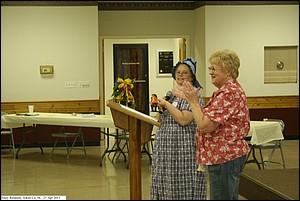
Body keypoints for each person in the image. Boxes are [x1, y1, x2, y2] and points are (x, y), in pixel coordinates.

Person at [173, 49, 250, 200]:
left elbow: (204, 125)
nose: (210, 72)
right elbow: (207, 119)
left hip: (225, 158)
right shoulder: (227, 91)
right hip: (223, 158)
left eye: (214, 68)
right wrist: (190, 100)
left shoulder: (228, 93)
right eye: (210, 68)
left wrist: (193, 102)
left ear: (228, 71)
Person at [150, 57, 207, 200]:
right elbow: (159, 118)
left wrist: (166, 105)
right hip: (167, 149)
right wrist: (161, 105)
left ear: (192, 76)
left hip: (184, 150)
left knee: (183, 184)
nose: (180, 75)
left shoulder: (194, 95)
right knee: (167, 181)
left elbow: (183, 119)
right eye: (178, 72)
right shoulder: (172, 94)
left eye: (185, 72)